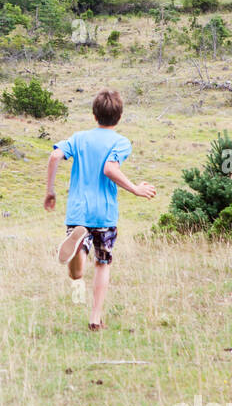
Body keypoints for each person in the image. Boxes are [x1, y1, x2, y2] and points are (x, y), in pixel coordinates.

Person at [43, 89, 155, 330]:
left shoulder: (79, 138)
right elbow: (109, 169)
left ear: (94, 114)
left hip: (77, 213)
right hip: (103, 214)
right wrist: (135, 188)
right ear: (119, 116)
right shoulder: (120, 142)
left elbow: (54, 156)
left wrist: (50, 191)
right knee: (103, 263)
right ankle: (95, 319)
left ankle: (77, 251)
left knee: (76, 275)